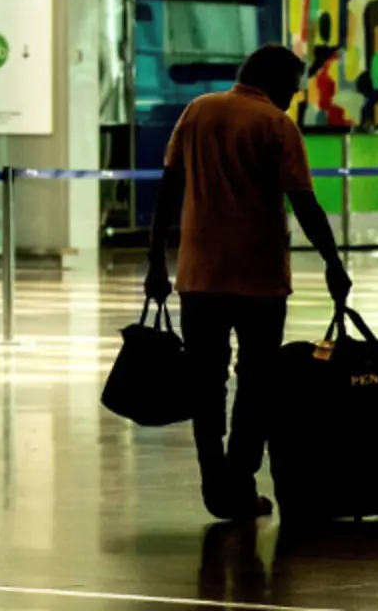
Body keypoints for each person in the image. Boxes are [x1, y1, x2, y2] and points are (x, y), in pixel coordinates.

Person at [146, 44, 352, 520]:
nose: (293, 98)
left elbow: (168, 191)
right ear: (277, 82)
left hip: (200, 276)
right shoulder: (277, 126)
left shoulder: (197, 112)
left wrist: (157, 261)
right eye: (293, 89)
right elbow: (304, 204)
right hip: (259, 279)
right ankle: (238, 481)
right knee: (257, 383)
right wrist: (332, 263)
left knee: (205, 381)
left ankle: (214, 481)